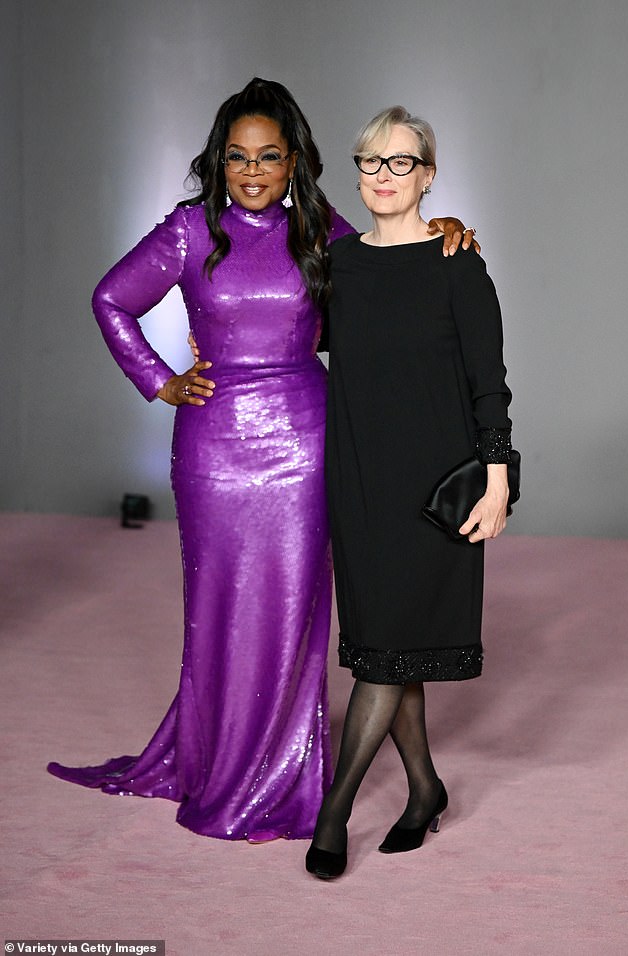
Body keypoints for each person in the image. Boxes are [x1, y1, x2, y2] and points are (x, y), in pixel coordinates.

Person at [47, 79, 473, 842]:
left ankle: (284, 769)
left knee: (295, 611)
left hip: (308, 443)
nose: (252, 170)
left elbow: (388, 278)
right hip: (213, 446)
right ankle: (219, 759)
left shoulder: (320, 229)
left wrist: (442, 232)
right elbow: (110, 299)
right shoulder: (187, 230)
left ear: (294, 162)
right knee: (218, 610)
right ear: (219, 161)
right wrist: (159, 379)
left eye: (269, 156)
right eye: (238, 157)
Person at [305, 106, 513, 878]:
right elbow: (296, 341)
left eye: (401, 163)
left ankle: (334, 814)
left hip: (436, 489)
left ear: (428, 175)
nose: (383, 177)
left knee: (383, 661)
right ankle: (425, 788)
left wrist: (498, 482)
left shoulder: (459, 264)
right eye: (369, 163)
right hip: (359, 480)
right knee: (393, 647)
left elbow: (488, 385)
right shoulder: (339, 265)